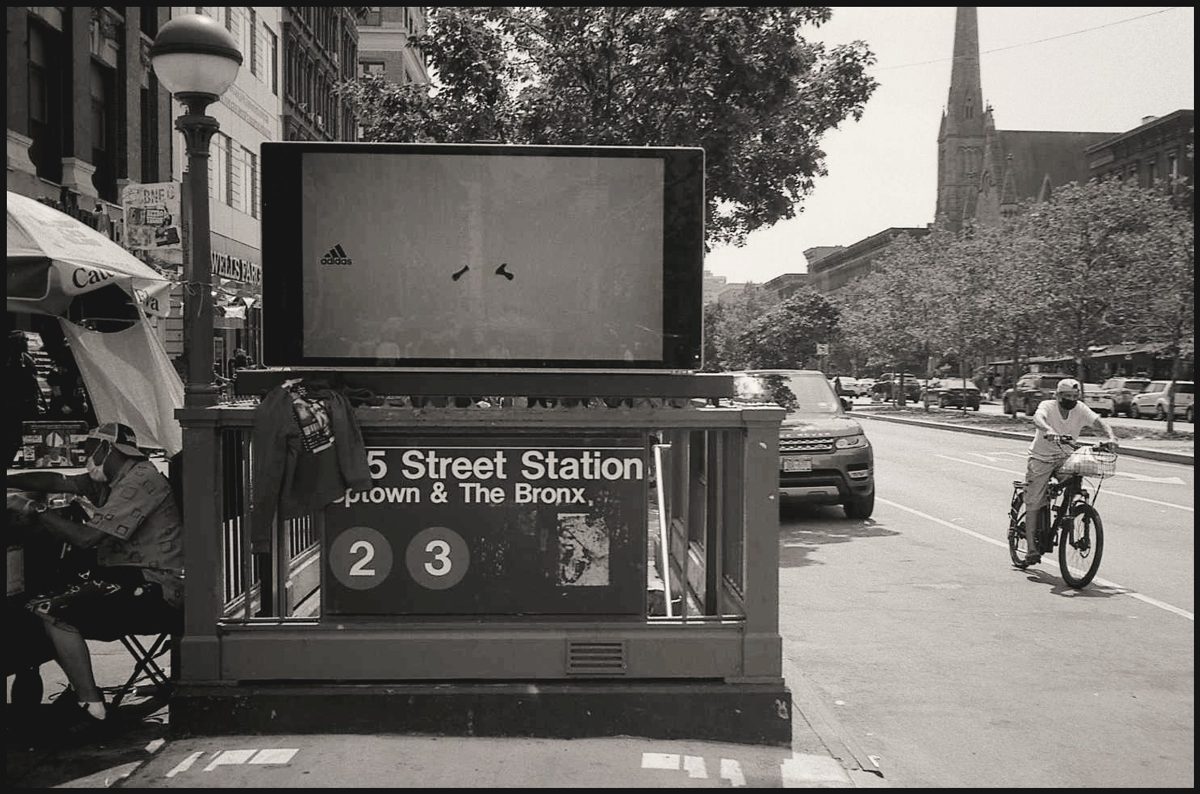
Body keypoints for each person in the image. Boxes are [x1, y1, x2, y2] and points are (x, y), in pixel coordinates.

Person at [7, 422, 183, 727]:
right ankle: (81, 691)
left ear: (107, 449)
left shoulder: (139, 481)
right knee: (41, 600)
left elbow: (86, 539)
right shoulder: (114, 478)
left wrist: (34, 508)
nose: (87, 459)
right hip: (134, 577)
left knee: (51, 610)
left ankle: (92, 708)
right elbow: (59, 480)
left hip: (155, 587)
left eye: (89, 451)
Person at [1022, 378, 1118, 564]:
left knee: (1078, 476)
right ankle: (1031, 550)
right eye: (1066, 396)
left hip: (1065, 457)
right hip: (1041, 458)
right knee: (1034, 500)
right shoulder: (1047, 406)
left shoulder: (1080, 409)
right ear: (1057, 396)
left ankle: (1070, 510)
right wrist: (1048, 429)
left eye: (1074, 396)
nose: (1071, 400)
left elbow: (1099, 422)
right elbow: (1038, 418)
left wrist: (1111, 437)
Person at [6, 330, 45, 467]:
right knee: (11, 436)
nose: (26, 343)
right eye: (23, 340)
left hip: (25, 405)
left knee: (22, 436)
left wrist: (36, 402)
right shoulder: (8, 360)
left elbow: (33, 384)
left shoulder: (26, 358)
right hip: (10, 406)